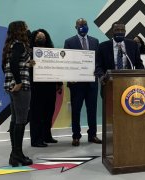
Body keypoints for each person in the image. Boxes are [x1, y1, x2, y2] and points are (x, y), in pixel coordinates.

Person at [64, 18, 100, 146]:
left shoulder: (95, 41)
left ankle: (93, 135)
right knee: (76, 110)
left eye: (85, 24)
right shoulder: (69, 42)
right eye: (80, 25)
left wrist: (98, 72)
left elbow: (98, 62)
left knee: (92, 110)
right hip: (76, 83)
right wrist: (70, 77)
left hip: (92, 82)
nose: (83, 26)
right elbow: (67, 63)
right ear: (75, 27)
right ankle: (76, 136)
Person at [2, 21, 34, 166]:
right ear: (20, 30)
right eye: (25, 27)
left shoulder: (11, 45)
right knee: (21, 120)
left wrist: (27, 64)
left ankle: (15, 154)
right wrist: (19, 82)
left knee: (15, 119)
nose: (28, 29)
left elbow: (8, 65)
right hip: (21, 88)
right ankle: (17, 155)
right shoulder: (20, 45)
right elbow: (14, 63)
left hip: (11, 87)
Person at [29, 29, 61, 147]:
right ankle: (36, 140)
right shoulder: (29, 53)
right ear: (34, 38)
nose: (41, 38)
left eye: (43, 37)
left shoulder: (51, 52)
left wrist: (59, 83)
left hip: (50, 86)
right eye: (38, 37)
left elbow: (56, 69)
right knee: (36, 114)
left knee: (49, 112)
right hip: (36, 87)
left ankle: (47, 136)